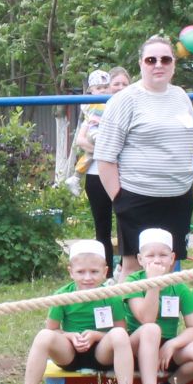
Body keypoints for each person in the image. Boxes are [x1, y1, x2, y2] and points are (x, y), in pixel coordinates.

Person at [94, 35, 193, 276]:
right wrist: (119, 199)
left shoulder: (180, 96)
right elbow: (105, 157)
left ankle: (162, 314)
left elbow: (192, 139)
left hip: (179, 197)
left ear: (173, 63)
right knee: (134, 266)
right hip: (138, 198)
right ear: (141, 63)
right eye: (151, 59)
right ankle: (127, 314)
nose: (158, 65)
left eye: (165, 59)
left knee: (169, 264)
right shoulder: (125, 100)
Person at [11, 239, 130, 384]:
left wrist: (96, 335)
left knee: (119, 335)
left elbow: (121, 331)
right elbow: (52, 330)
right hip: (70, 353)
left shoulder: (112, 296)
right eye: (81, 272)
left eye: (94, 272)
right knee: (43, 336)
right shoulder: (62, 295)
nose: (87, 278)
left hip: (101, 353)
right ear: (71, 272)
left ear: (105, 272)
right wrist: (69, 336)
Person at [124, 228, 193, 384]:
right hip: (136, 345)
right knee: (152, 329)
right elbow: (147, 320)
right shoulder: (132, 281)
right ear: (140, 259)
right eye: (150, 255)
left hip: (166, 348)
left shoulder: (179, 286)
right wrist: (154, 284)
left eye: (163, 255)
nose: (156, 260)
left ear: (172, 258)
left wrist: (172, 344)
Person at [75, 67, 131, 274]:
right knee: (103, 227)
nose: (119, 88)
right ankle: (105, 271)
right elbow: (82, 140)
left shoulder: (129, 109)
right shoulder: (97, 108)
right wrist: (108, 151)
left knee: (126, 224)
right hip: (96, 175)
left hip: (123, 176)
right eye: (116, 84)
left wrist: (107, 150)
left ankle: (127, 269)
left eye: (125, 84)